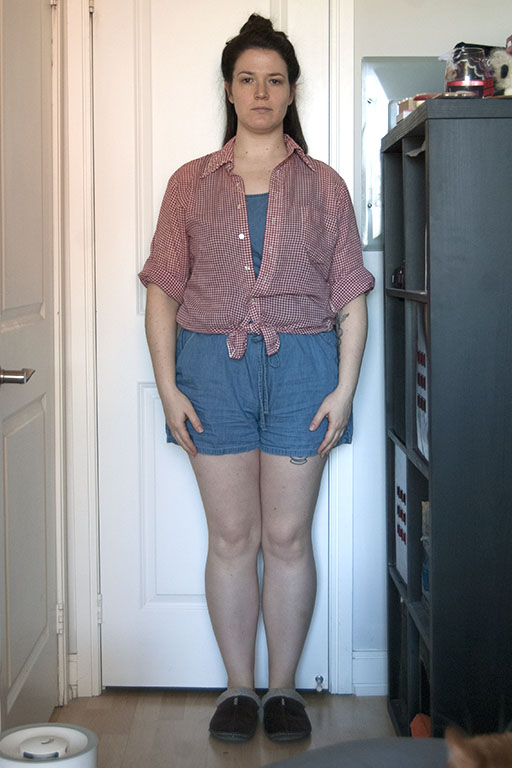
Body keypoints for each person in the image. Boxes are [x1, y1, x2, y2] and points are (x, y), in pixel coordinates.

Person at [139, 13, 374, 744]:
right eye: (248, 79)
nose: (262, 92)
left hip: (306, 370)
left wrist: (345, 389)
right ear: (230, 89)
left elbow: (351, 297)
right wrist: (169, 388)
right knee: (233, 537)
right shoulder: (189, 183)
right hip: (211, 371)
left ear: (292, 90)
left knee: (288, 537)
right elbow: (162, 292)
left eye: (275, 80)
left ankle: (283, 690)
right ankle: (238, 687)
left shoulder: (325, 185)